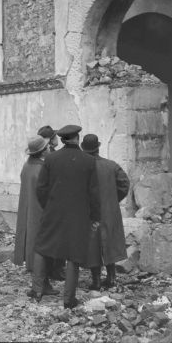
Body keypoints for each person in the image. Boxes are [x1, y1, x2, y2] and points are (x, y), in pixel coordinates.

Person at [34, 125, 100, 309]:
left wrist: (48, 206)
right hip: (78, 214)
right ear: (78, 138)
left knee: (42, 245)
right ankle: (68, 299)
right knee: (74, 253)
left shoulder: (50, 158)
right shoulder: (88, 161)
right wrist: (95, 216)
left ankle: (37, 291)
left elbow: (40, 188)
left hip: (53, 210)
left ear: (62, 140)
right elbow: (94, 192)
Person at [81, 134, 130, 290]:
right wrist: (113, 200)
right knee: (110, 242)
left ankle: (95, 281)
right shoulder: (111, 165)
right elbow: (124, 184)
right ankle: (111, 278)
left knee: (92, 245)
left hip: (88, 212)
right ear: (98, 147)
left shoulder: (81, 167)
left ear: (83, 149)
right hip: (110, 211)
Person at [14, 135, 59, 297]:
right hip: (42, 212)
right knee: (42, 248)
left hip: (29, 211)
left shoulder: (27, 167)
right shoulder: (43, 169)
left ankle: (43, 284)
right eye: (47, 147)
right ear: (42, 151)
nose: (49, 149)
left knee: (36, 246)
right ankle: (38, 287)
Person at [36, 125, 66, 281]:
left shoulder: (47, 155)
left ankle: (55, 269)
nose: (56, 139)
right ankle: (55, 270)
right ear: (48, 140)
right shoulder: (49, 156)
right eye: (53, 136)